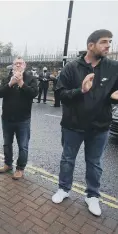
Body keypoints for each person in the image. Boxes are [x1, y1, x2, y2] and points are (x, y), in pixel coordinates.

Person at [52, 29, 118, 216]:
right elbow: (60, 95)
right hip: (73, 125)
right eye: (104, 42)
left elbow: (114, 93)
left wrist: (114, 97)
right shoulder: (72, 68)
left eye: (110, 42)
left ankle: (92, 196)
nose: (108, 45)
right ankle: (64, 189)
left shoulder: (113, 67)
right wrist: (80, 90)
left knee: (95, 163)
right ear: (91, 45)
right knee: (67, 159)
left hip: (100, 126)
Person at [0, 56, 38, 179]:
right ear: (13, 66)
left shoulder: (31, 79)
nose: (18, 65)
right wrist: (10, 84)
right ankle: (8, 164)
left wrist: (21, 83)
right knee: (7, 143)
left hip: (23, 119)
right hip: (7, 118)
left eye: (20, 63)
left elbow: (34, 93)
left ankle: (20, 168)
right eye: (16, 64)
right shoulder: (6, 78)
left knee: (23, 146)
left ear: (24, 65)